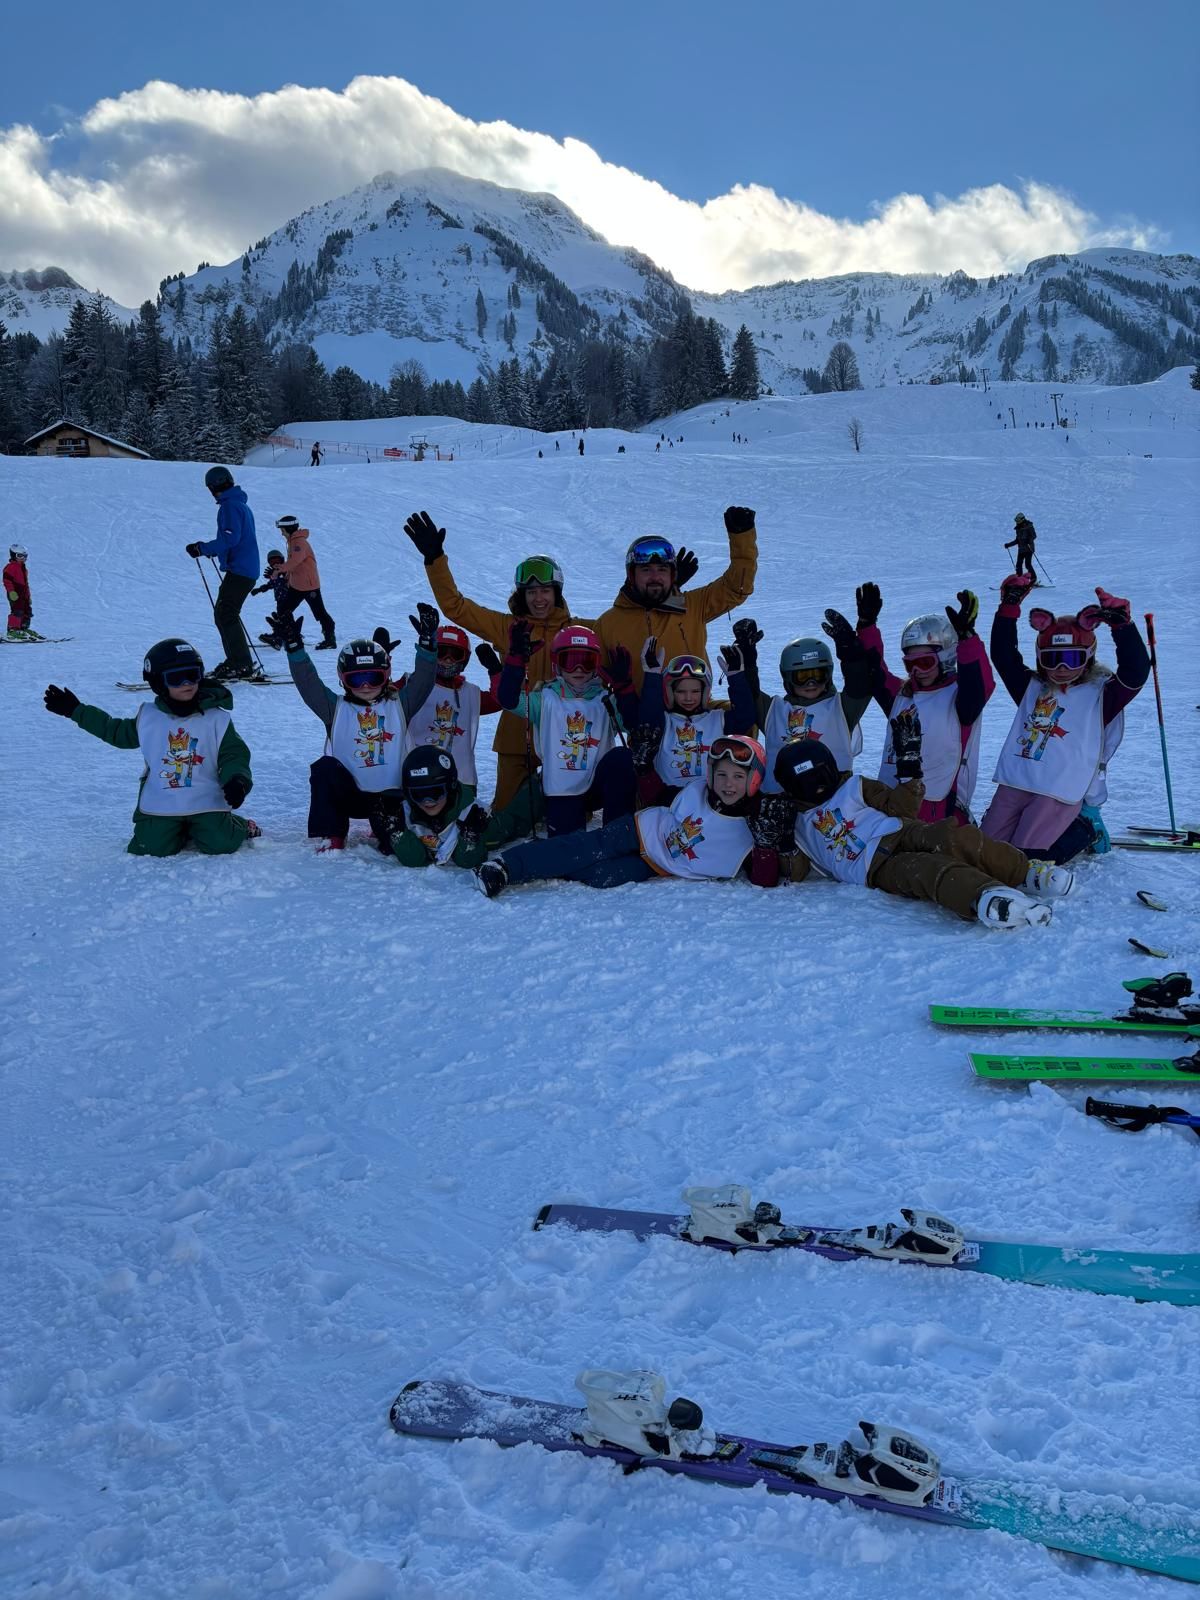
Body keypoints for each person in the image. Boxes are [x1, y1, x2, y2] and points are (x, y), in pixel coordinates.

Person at [762, 730, 1070, 930]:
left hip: (899, 830)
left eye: (819, 776)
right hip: (873, 867)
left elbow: (900, 808)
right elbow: (796, 872)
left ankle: (1023, 872)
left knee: (954, 836)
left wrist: (909, 777)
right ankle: (985, 897)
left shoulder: (854, 786)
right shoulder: (795, 822)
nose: (815, 787)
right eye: (803, 782)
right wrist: (783, 840)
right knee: (926, 869)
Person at [402, 510, 589, 813]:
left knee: (572, 812)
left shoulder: (578, 631)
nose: (538, 599)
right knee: (505, 813)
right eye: (531, 592)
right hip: (517, 736)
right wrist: (435, 560)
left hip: (566, 736)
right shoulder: (507, 627)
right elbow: (456, 607)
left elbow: (618, 633)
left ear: (557, 593)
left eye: (545, 591)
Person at [476, 734, 767, 897]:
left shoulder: (755, 825)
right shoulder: (698, 792)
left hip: (658, 864)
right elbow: (659, 796)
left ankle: (547, 855)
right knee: (587, 848)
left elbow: (763, 877)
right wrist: (644, 768)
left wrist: (768, 845)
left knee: (601, 876)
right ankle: (508, 866)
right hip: (639, 830)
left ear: (754, 780)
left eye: (738, 776)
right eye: (722, 774)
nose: (728, 784)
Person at [42, 638, 260, 855]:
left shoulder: (216, 719)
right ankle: (182, 829)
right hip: (162, 799)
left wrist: (237, 780)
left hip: (206, 797)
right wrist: (76, 711)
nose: (186, 683)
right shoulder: (149, 717)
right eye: (175, 678)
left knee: (221, 843)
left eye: (192, 675)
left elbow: (234, 754)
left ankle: (237, 826)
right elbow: (116, 732)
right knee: (151, 846)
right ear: (158, 683)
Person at [980, 576, 1149, 855]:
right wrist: (1008, 608)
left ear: (1088, 657)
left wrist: (1122, 626)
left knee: (1025, 856)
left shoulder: (1102, 695)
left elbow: (1135, 672)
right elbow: (1003, 655)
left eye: (1072, 659)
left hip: (1060, 787)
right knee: (984, 850)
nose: (1061, 668)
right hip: (1018, 780)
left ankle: (1084, 827)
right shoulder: (1032, 688)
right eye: (1051, 659)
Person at [272, 605, 438, 851]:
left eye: (373, 678)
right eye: (356, 679)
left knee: (393, 847)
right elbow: (309, 685)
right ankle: (333, 833)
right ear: (343, 678)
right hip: (350, 795)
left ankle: (385, 827)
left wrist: (427, 646)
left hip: (390, 798)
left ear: (386, 675)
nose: (365, 686)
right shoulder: (335, 708)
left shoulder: (399, 705)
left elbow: (423, 682)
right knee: (324, 769)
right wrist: (295, 649)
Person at [855, 583, 993, 823]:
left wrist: (967, 640)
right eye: (910, 664)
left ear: (946, 657)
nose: (917, 671)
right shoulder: (903, 696)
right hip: (892, 799)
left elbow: (980, 684)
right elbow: (875, 670)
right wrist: (866, 626)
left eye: (925, 662)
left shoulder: (960, 699)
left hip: (937, 805)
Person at [495, 621, 637, 837]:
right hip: (561, 788)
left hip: (598, 783)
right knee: (567, 844)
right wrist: (515, 660)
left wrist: (624, 689)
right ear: (557, 665)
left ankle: (616, 835)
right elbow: (507, 699)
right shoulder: (545, 699)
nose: (578, 669)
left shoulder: (605, 700)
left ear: (596, 665)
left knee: (623, 758)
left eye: (586, 662)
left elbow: (633, 724)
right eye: (569, 661)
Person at [594, 507, 757, 693]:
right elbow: (594, 683)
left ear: (672, 575)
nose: (655, 577)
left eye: (662, 570)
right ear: (632, 575)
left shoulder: (693, 606)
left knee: (751, 711)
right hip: (635, 711)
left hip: (694, 709)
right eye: (646, 570)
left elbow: (736, 588)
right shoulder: (608, 624)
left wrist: (741, 538)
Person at [748, 609, 872, 805]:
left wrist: (849, 651)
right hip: (782, 803)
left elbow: (860, 685)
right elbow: (748, 694)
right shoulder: (774, 711)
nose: (811, 683)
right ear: (788, 678)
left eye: (818, 675)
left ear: (828, 675)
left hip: (831, 802)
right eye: (802, 677)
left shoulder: (841, 708)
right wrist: (747, 659)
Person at [631, 634, 758, 806]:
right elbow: (648, 720)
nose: (688, 698)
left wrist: (736, 678)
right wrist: (652, 675)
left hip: (711, 801)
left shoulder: (718, 719)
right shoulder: (664, 721)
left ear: (705, 692)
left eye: (695, 692)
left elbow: (746, 717)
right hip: (667, 800)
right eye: (681, 692)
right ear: (670, 692)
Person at [393, 622, 503, 806]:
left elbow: (501, 700)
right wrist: (383, 661)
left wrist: (496, 671)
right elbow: (380, 699)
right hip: (419, 774)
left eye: (455, 655)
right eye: (442, 652)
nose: (448, 660)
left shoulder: (470, 694)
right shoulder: (412, 686)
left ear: (464, 660)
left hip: (461, 779)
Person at [185, 466, 261, 680]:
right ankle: (238, 662)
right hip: (244, 568)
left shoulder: (230, 506)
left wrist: (202, 548)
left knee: (225, 613)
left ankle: (241, 664)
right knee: (226, 613)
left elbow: (230, 538)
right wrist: (215, 550)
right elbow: (234, 539)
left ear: (213, 487)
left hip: (241, 570)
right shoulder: (239, 504)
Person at [272, 514, 336, 650]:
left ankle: (330, 639)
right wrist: (287, 577)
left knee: (320, 612)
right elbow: (294, 564)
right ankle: (284, 636)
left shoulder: (299, 543)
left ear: (289, 529)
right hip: (296, 585)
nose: (282, 533)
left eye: (282, 530)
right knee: (284, 610)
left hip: (309, 586)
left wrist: (279, 570)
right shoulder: (292, 542)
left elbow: (295, 561)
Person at [253, 549, 290, 648]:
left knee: (283, 617)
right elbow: (271, 584)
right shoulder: (275, 574)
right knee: (282, 617)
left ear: (282, 560)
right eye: (272, 562)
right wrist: (260, 589)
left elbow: (286, 580)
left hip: (288, 599)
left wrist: (277, 574)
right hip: (279, 599)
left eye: (277, 561)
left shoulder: (286, 571)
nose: (275, 564)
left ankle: (279, 639)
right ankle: (284, 634)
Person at [5, 543, 33, 639]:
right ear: (13, 555)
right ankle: (13, 630)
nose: (23, 558)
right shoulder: (10, 567)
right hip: (15, 593)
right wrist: (11, 591)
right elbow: (7, 580)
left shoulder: (24, 568)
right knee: (17, 610)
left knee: (27, 610)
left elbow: (26, 585)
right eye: (19, 556)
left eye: (25, 556)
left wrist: (28, 596)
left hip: (23, 593)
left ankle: (23, 628)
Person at [1005, 514, 1037, 579]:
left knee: (1027, 564)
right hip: (1021, 549)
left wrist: (1029, 540)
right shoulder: (1018, 528)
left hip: (1028, 548)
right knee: (1018, 565)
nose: (1016, 522)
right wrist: (1009, 544)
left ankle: (1033, 579)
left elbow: (1034, 535)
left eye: (1018, 520)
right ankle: (1019, 579)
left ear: (1022, 519)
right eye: (1016, 520)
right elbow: (1017, 540)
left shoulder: (1029, 526)